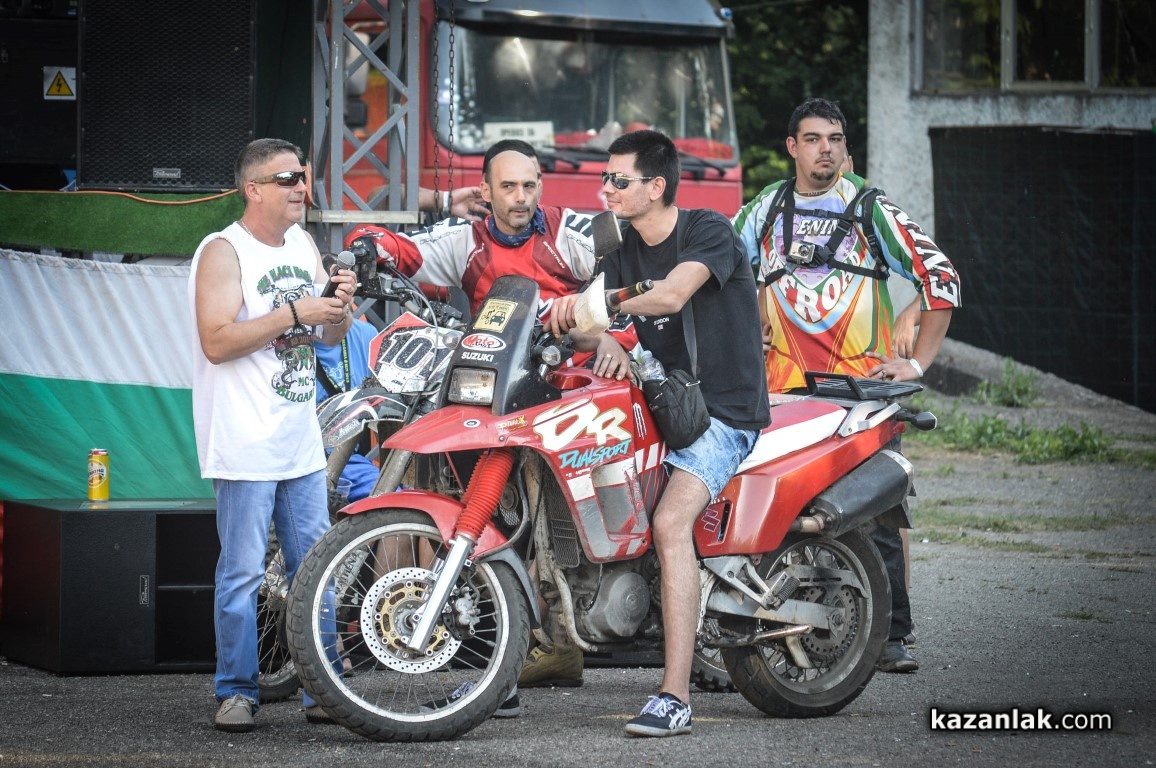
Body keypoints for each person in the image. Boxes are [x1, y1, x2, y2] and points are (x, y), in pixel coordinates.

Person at [548, 129, 770, 737]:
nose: (606, 190)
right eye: (605, 178)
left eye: (619, 180)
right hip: (664, 406)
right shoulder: (618, 247)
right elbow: (591, 325)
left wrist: (605, 310)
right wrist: (588, 327)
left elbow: (671, 296)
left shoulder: (708, 231)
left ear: (656, 186)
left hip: (723, 413)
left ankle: (674, 696)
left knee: (670, 523)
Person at [732, 98, 962, 673]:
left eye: (835, 139)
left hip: (861, 398)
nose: (826, 149)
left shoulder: (869, 207)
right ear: (792, 147)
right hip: (783, 395)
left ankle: (890, 636)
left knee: (875, 517)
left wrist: (917, 366)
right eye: (813, 139)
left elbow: (941, 276)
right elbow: (717, 272)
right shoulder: (766, 207)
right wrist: (744, 321)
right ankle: (768, 638)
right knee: (777, 513)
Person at [188, 138, 357, 732]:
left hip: (297, 438)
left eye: (303, 177)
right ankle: (236, 691)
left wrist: (339, 309)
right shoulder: (223, 250)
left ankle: (323, 690)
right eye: (286, 179)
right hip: (244, 440)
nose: (300, 188)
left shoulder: (303, 243)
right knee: (242, 573)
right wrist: (295, 314)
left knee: (318, 568)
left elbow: (328, 339)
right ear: (253, 189)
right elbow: (216, 341)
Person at [344, 138, 636, 383]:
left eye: (528, 186)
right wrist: (363, 246)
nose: (521, 197)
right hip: (491, 376)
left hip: (572, 376)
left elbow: (634, 279)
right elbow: (396, 246)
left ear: (539, 187)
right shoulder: (464, 238)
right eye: (508, 187)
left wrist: (615, 339)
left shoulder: (567, 229)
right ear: (486, 191)